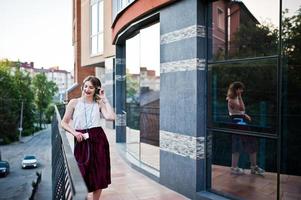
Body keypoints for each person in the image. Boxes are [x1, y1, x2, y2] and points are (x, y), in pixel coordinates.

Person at [61, 75, 115, 200]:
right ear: (82, 87)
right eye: (86, 86)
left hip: (98, 139)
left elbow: (111, 117)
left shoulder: (99, 103)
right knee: (82, 172)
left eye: (91, 87)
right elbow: (63, 122)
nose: (87, 89)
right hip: (81, 140)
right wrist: (74, 133)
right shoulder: (74, 103)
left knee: (99, 174)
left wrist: (105, 99)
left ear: (96, 89)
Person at [226, 81, 264, 176]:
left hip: (239, 121)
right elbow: (242, 108)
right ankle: (248, 167)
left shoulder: (233, 98)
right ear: (236, 89)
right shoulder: (232, 99)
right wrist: (240, 97)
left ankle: (251, 167)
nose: (242, 91)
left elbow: (239, 111)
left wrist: (244, 115)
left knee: (242, 143)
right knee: (245, 143)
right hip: (238, 122)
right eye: (240, 89)